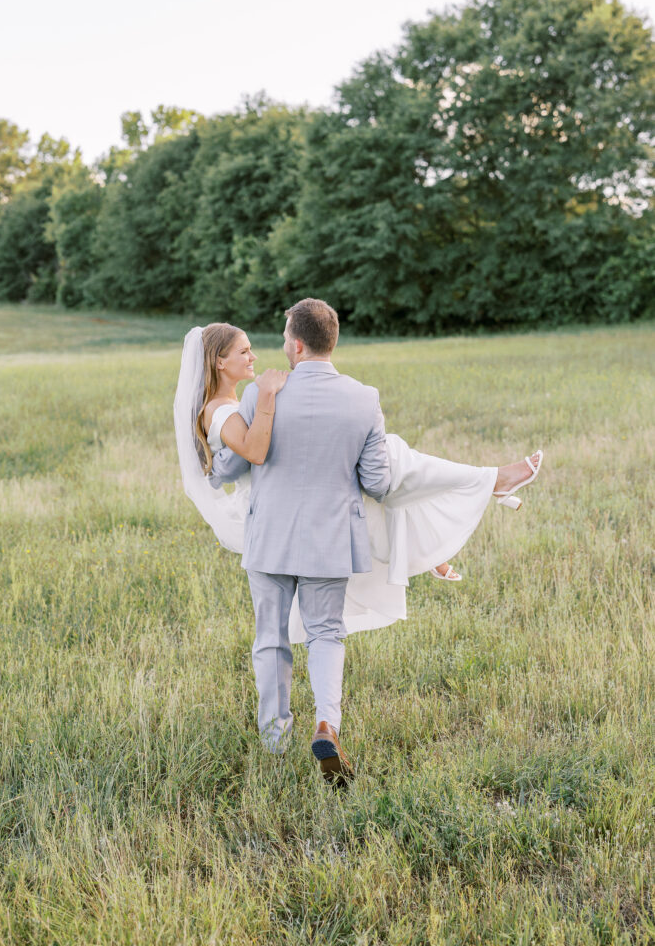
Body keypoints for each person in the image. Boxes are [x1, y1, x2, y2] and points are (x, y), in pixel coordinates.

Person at [173, 300, 543, 784]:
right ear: (333, 342)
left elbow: (239, 462)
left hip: (269, 536)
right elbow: (379, 484)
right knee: (326, 632)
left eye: (284, 338)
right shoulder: (364, 399)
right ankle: (326, 723)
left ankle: (275, 740)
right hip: (330, 537)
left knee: (271, 637)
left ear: (297, 343)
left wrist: (218, 459)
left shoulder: (262, 395)